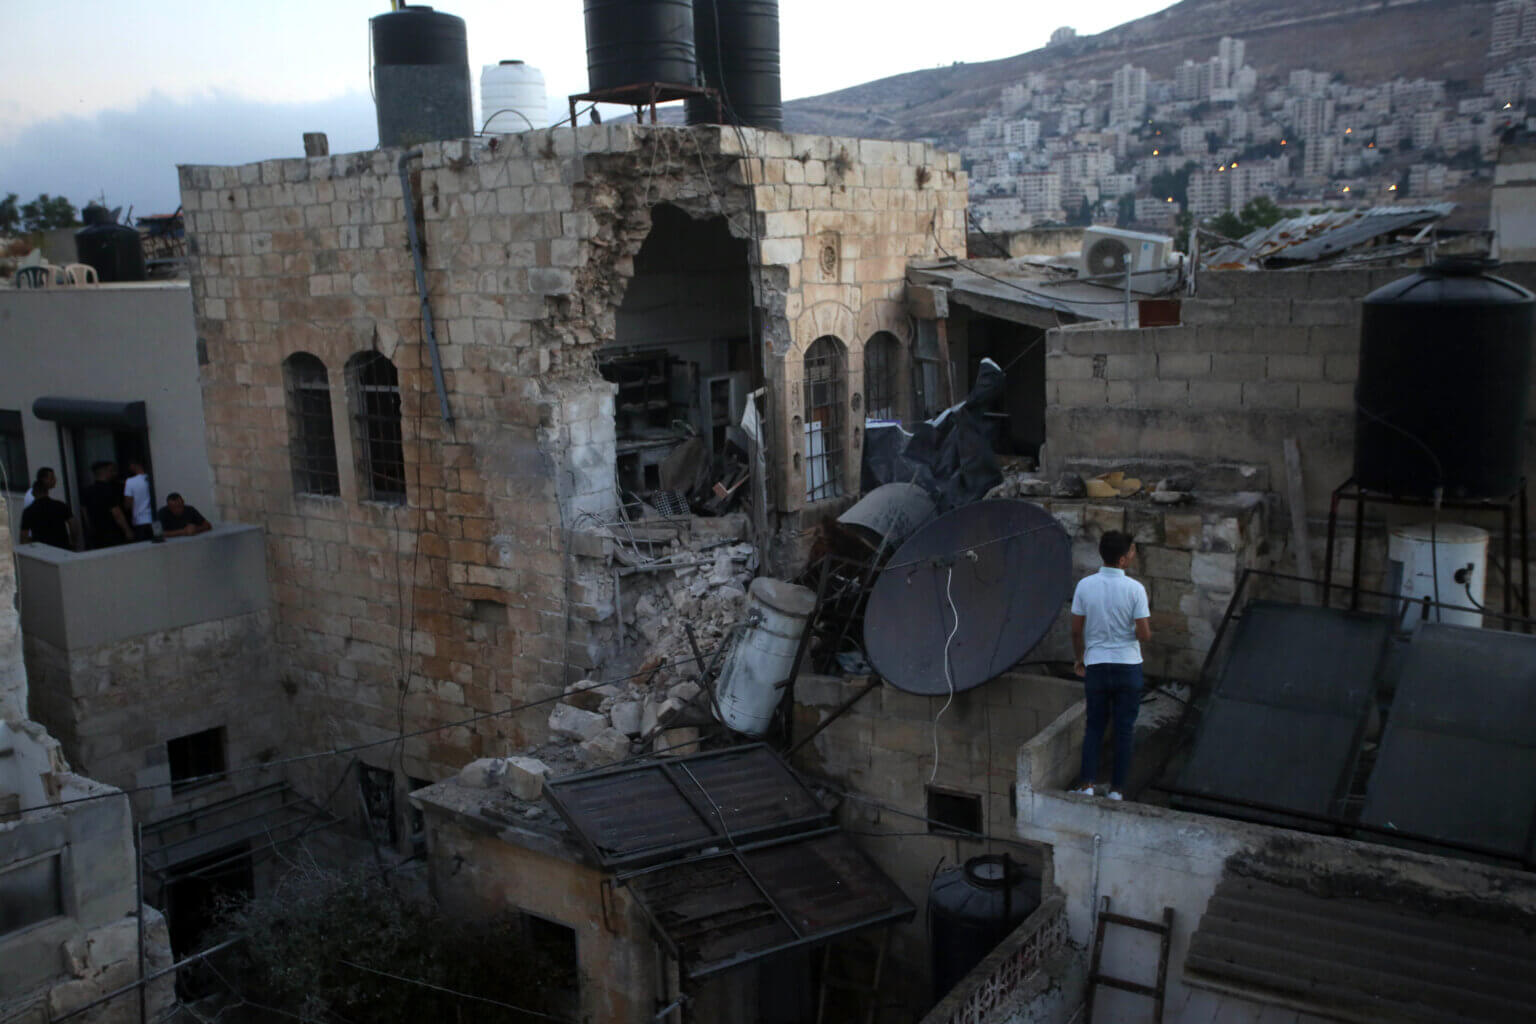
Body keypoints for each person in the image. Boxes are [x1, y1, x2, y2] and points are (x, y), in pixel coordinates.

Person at [1070, 530, 1152, 801]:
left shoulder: (1085, 586)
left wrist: (1080, 658)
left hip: (1096, 666)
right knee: (1123, 730)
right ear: (1122, 559)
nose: (1133, 554)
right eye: (1131, 551)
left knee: (1094, 726)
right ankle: (1117, 790)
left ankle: (1087, 785)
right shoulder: (1135, 590)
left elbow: (1075, 630)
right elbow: (1144, 635)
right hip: (1128, 667)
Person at [18, 469, 76, 551]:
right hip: (63, 549)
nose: (55, 480)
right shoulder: (61, 506)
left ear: (33, 493)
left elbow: (24, 537)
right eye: (52, 477)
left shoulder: (29, 511)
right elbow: (73, 526)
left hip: (42, 552)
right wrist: (73, 543)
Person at [82, 461, 133, 549]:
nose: (114, 473)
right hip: (113, 533)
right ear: (106, 472)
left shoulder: (88, 491)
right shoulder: (109, 490)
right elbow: (116, 513)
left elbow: (84, 512)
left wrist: (90, 529)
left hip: (97, 534)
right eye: (112, 470)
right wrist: (127, 530)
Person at [122, 459, 154, 541]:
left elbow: (128, 503)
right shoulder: (152, 477)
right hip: (154, 518)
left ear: (133, 465)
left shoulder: (130, 482)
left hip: (140, 520)